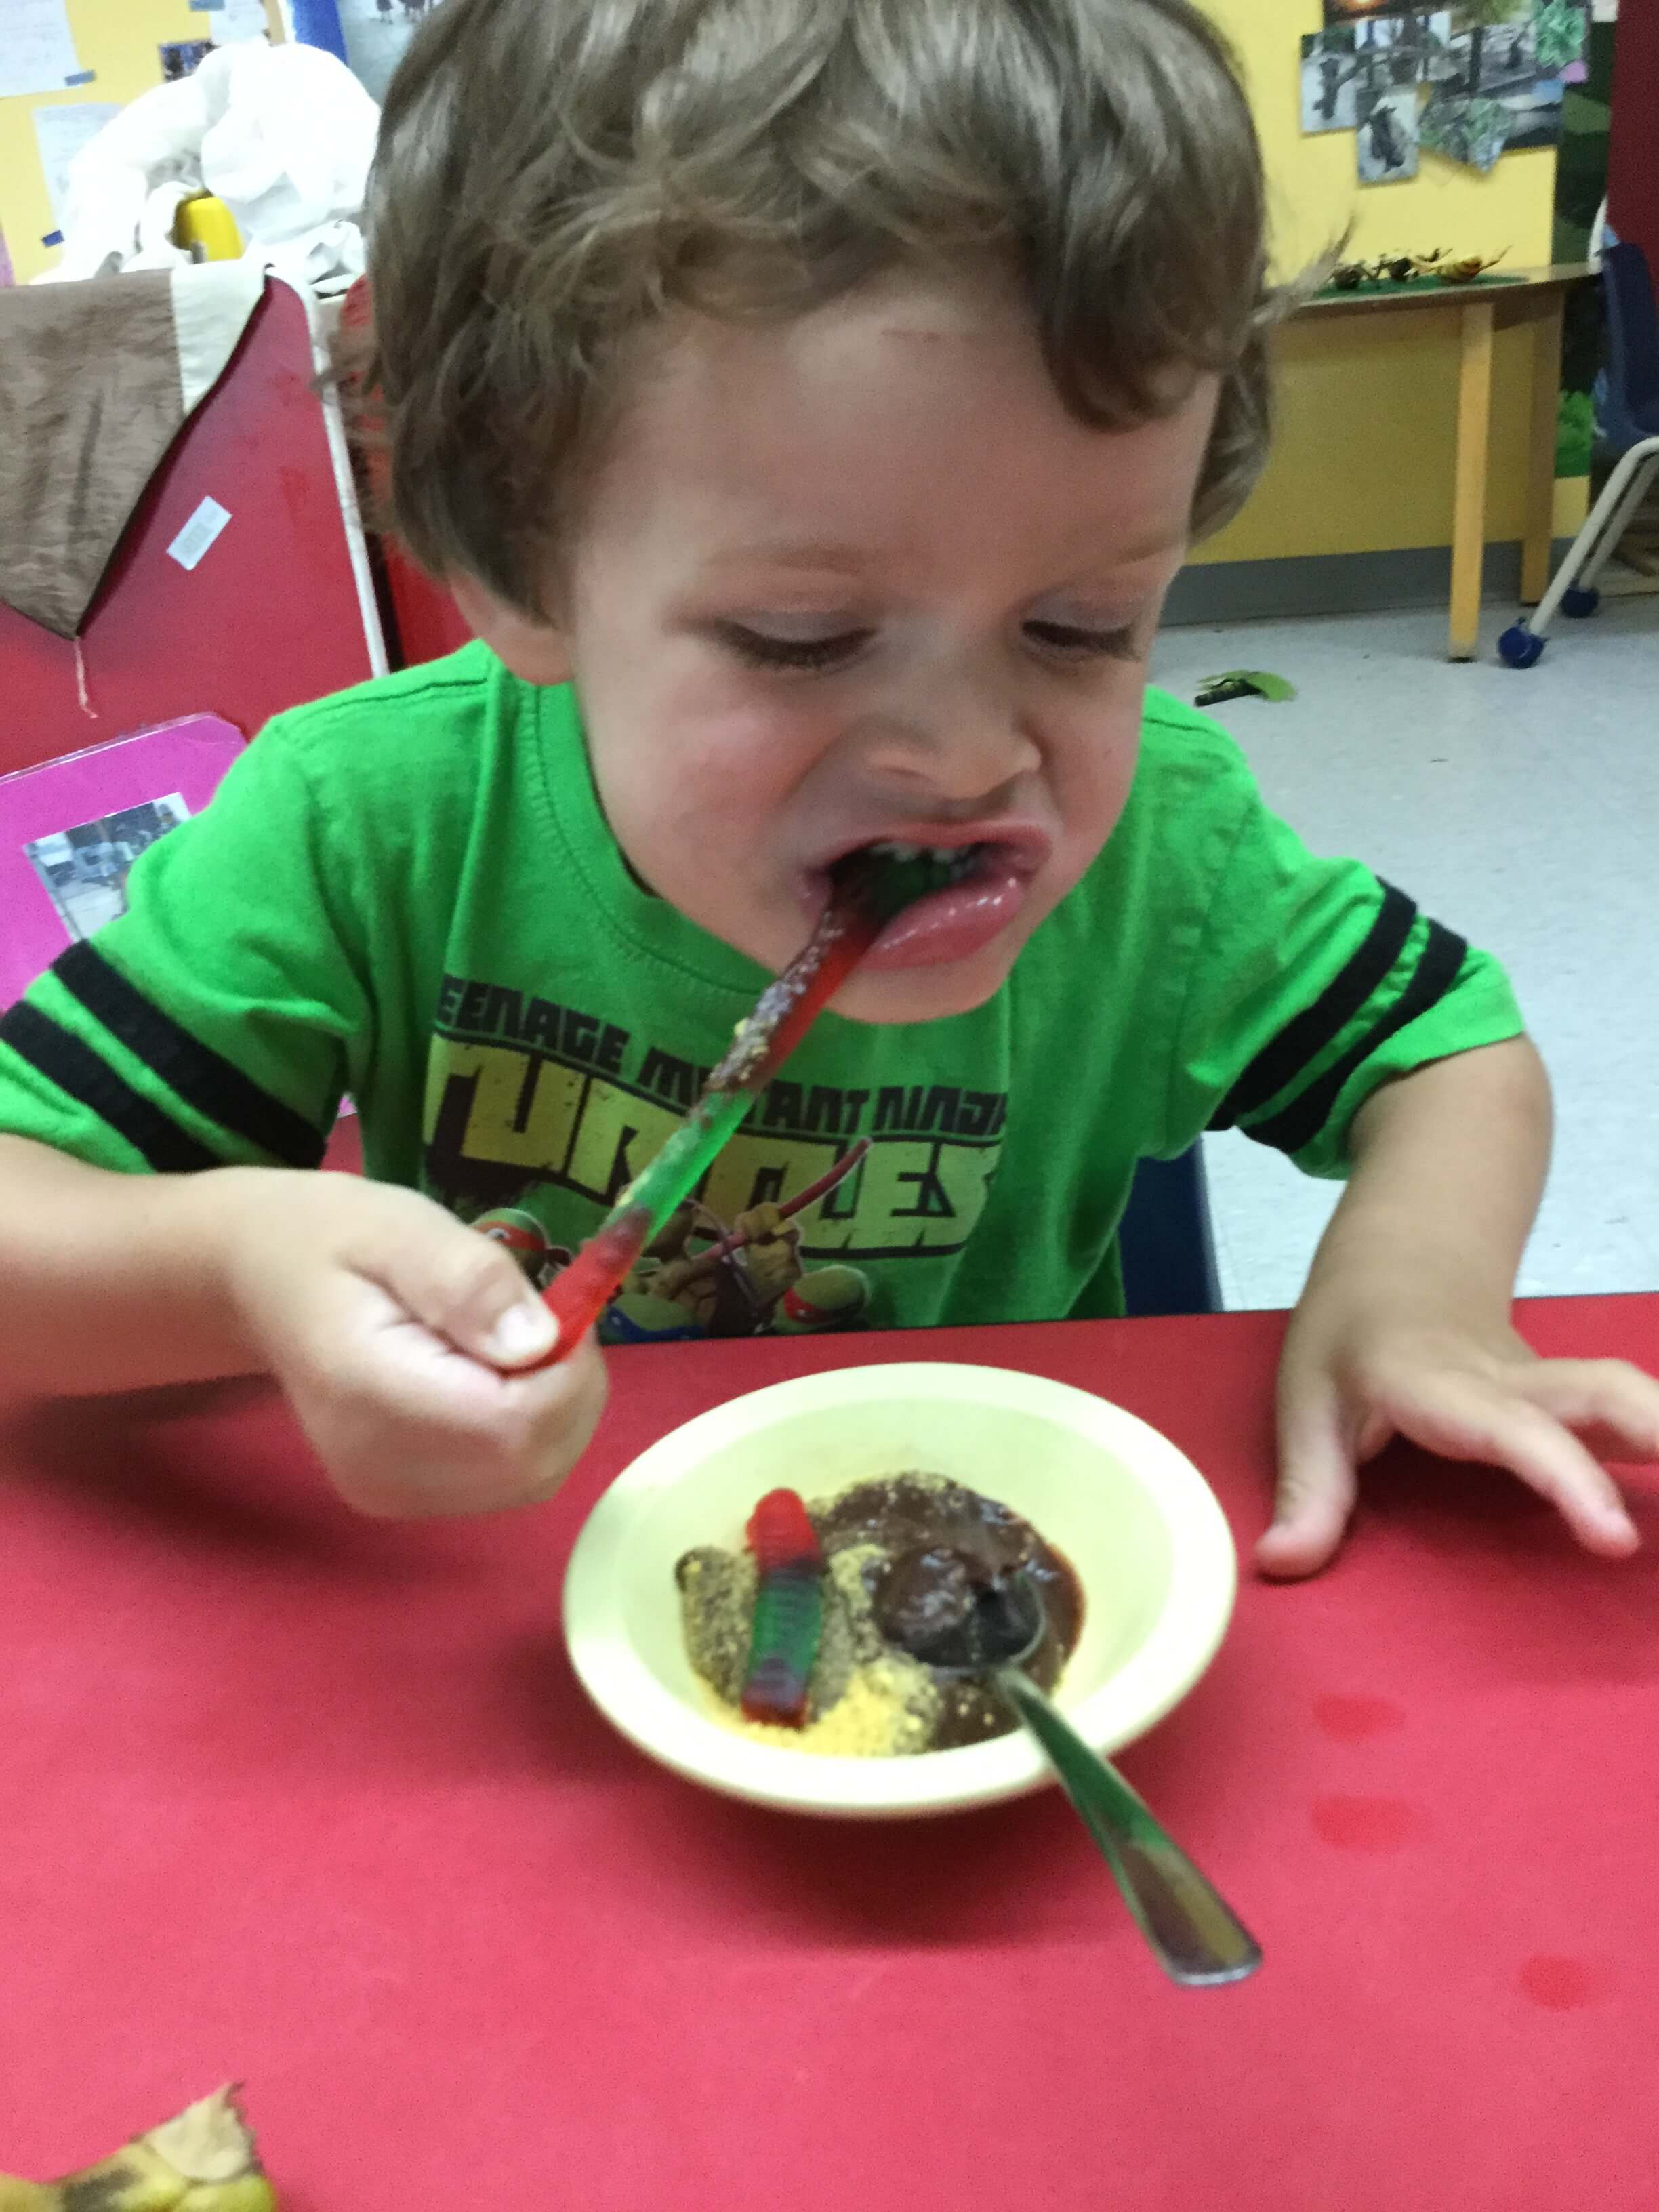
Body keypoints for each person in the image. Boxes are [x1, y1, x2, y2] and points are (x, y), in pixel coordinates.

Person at [1, 0, 1654, 1573]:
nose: (970, 756)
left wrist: (1421, 1301)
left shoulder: (1168, 846)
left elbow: (1449, 1053)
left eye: (1085, 625)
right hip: (514, 1605)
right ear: (516, 570)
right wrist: (240, 1268)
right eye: (802, 639)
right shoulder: (366, 825)